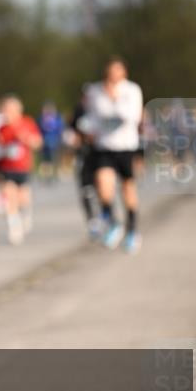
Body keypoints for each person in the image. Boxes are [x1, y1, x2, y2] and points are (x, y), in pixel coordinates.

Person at [78, 57, 144, 254]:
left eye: (118, 71)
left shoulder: (132, 90)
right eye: (111, 71)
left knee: (128, 189)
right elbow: (91, 117)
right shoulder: (95, 91)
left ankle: (132, 230)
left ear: (124, 72)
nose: (114, 75)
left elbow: (132, 116)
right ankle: (114, 223)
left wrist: (114, 99)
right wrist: (87, 129)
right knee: (103, 185)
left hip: (126, 146)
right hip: (104, 147)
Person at [0, 95, 42, 245]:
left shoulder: (27, 123)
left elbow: (38, 142)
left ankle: (25, 214)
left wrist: (26, 138)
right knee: (9, 196)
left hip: (23, 167)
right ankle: (14, 227)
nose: (7, 113)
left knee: (23, 198)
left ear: (18, 110)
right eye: (5, 110)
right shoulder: (1, 128)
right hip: (6, 168)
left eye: (10, 110)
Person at [69, 88, 101, 239]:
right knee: (86, 189)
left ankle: (104, 215)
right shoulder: (79, 110)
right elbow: (72, 131)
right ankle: (92, 220)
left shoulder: (101, 109)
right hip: (83, 155)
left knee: (101, 187)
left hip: (101, 154)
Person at [37, 101, 64, 182]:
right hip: (45, 141)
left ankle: (54, 174)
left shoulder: (57, 118)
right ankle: (47, 175)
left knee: (54, 158)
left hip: (54, 141)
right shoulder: (41, 118)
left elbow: (60, 129)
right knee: (46, 159)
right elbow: (38, 129)